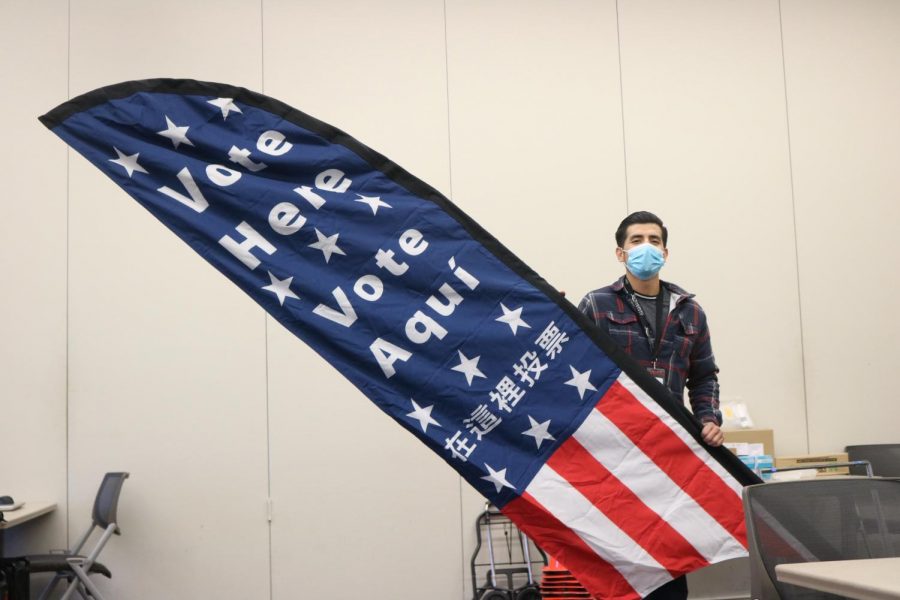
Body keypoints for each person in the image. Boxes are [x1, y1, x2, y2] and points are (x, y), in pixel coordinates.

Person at [577, 211, 724, 599]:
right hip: (615, 453)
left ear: (666, 251)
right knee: (618, 560)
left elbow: (705, 375)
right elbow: (573, 370)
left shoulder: (690, 311)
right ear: (620, 253)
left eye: (654, 240)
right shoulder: (596, 304)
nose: (646, 247)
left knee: (669, 560)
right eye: (637, 240)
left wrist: (708, 418)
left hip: (670, 455)